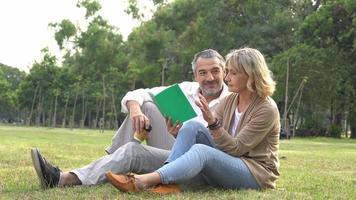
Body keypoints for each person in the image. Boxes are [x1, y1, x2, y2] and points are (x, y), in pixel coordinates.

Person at [31, 49, 230, 189]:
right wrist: (135, 110)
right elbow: (138, 93)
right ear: (195, 75)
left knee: (133, 150)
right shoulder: (186, 89)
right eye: (202, 73)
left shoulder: (231, 98)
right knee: (145, 105)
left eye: (215, 71)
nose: (209, 78)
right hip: (171, 148)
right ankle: (113, 164)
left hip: (197, 163)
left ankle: (63, 179)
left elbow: (228, 147)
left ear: (224, 72)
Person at [105, 47, 281, 194]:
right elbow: (211, 137)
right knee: (192, 125)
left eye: (233, 73)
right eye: (227, 72)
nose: (227, 78)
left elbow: (237, 149)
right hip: (228, 160)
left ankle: (144, 181)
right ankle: (168, 182)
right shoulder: (231, 100)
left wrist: (213, 123)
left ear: (251, 75)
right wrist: (178, 133)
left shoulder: (266, 108)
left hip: (255, 173)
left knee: (201, 150)